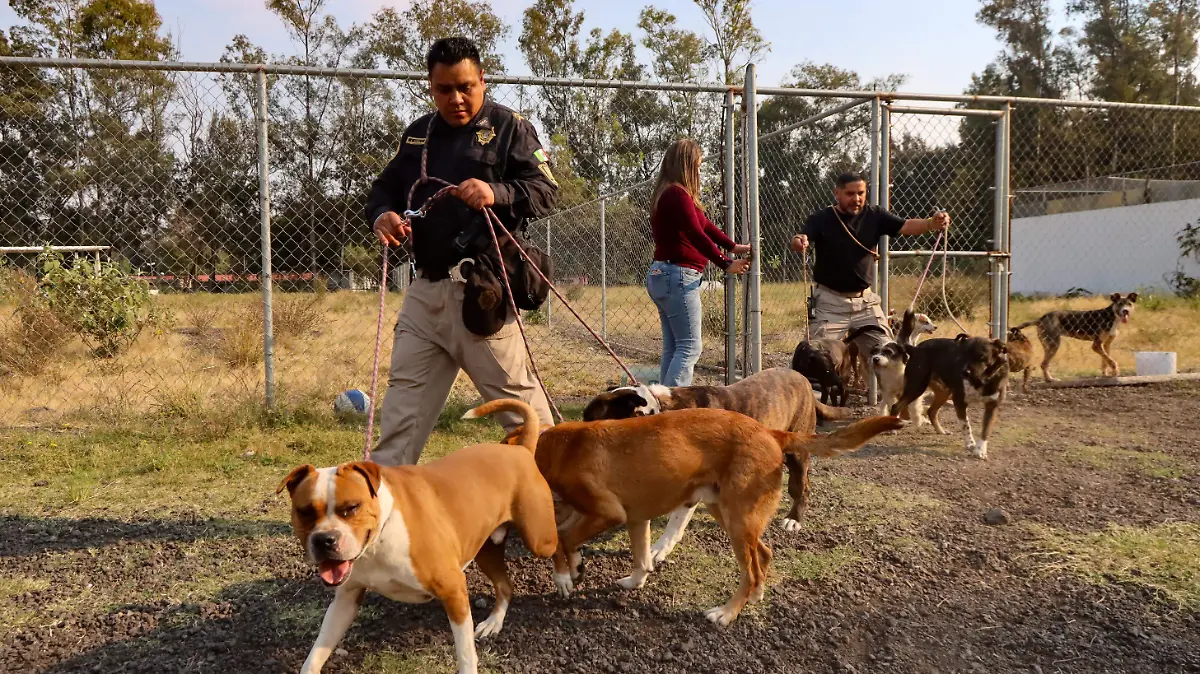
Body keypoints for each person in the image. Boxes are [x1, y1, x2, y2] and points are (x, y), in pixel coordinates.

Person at [365, 37, 558, 466]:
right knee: (401, 413)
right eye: (444, 89)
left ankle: (558, 494)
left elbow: (546, 190)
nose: (456, 98)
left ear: (483, 80)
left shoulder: (510, 128)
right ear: (430, 87)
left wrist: (497, 192)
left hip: (481, 294)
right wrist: (382, 215)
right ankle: (385, 498)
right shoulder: (418, 135)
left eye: (465, 87)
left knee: (525, 417)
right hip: (424, 296)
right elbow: (384, 189)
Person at [790, 172, 950, 356]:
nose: (856, 199)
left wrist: (931, 223)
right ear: (837, 193)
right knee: (814, 357)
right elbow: (801, 237)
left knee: (890, 356)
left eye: (861, 193)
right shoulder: (821, 218)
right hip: (830, 304)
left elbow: (905, 226)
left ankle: (876, 375)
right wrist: (799, 241)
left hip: (866, 304)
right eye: (850, 194)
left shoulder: (875, 215)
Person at [646, 138, 751, 387]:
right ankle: (674, 405)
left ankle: (663, 402)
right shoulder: (677, 195)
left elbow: (704, 225)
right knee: (690, 346)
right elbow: (696, 233)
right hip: (678, 275)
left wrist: (732, 246)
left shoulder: (669, 193)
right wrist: (726, 263)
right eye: (698, 166)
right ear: (687, 165)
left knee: (674, 347)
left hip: (662, 273)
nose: (700, 172)